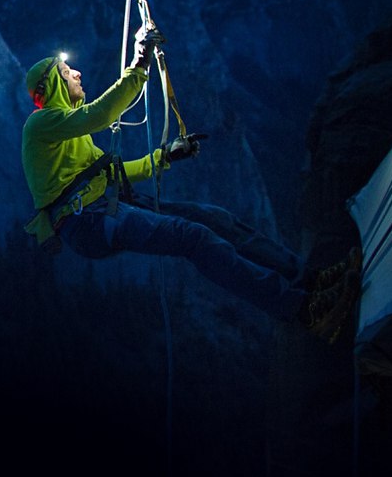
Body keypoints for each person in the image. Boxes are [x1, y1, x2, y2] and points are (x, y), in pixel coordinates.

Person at [21, 28, 360, 342]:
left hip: (102, 209)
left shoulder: (65, 132)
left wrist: (164, 156)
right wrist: (139, 64)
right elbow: (100, 115)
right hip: (87, 221)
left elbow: (112, 173)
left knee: (214, 218)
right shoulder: (42, 125)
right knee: (192, 237)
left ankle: (309, 279)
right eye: (67, 73)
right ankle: (304, 309)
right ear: (50, 86)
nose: (77, 74)